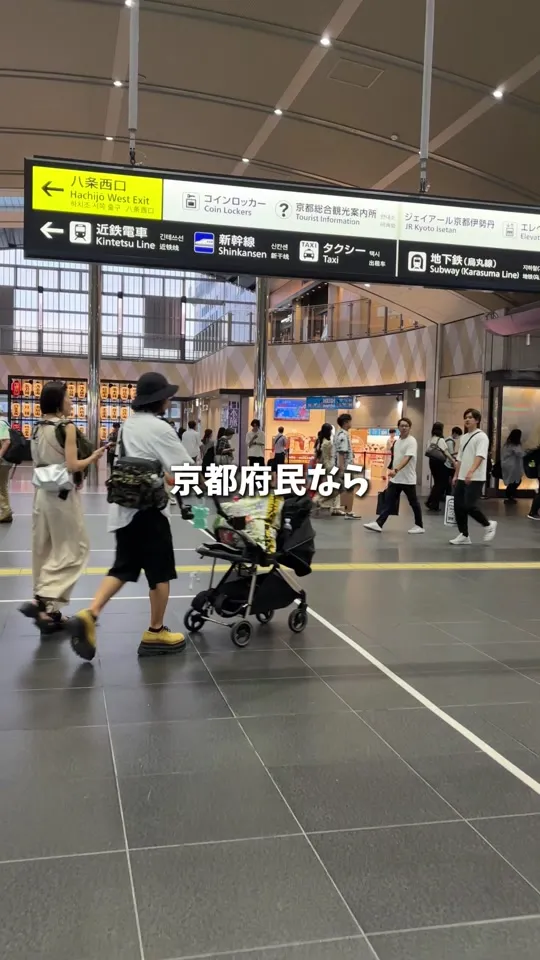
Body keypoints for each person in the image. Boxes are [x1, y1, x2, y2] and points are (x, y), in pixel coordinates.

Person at [66, 372, 193, 661]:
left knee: (123, 567)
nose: (169, 400)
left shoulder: (127, 425)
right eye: (167, 396)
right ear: (159, 400)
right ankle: (155, 632)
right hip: (149, 512)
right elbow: (184, 467)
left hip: (124, 509)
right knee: (160, 572)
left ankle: (90, 613)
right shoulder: (160, 428)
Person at [19, 381, 106, 634]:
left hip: (41, 495)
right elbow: (72, 465)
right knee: (76, 549)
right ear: (58, 402)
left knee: (43, 550)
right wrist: (93, 457)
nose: (71, 402)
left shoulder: (37, 428)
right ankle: (43, 598)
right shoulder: (66, 427)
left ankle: (50, 613)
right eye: (68, 398)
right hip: (62, 496)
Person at [364, 416, 424, 534]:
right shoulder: (397, 442)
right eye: (402, 426)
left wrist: (396, 470)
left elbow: (407, 458)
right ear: (398, 428)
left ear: (410, 428)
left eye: (406, 426)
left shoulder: (411, 441)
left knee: (413, 502)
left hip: (407, 479)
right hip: (396, 479)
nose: (404, 428)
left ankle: (419, 525)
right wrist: (391, 470)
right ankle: (379, 523)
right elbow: (395, 458)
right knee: (389, 501)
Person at [450, 408, 497, 545]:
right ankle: (464, 535)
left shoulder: (482, 437)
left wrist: (471, 472)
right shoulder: (464, 437)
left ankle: (488, 525)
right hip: (462, 477)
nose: (467, 419)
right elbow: (459, 458)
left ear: (477, 420)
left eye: (470, 417)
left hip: (475, 477)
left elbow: (480, 456)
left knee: (469, 505)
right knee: (458, 506)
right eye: (465, 417)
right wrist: (456, 475)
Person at [334, 413, 360, 518]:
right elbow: (342, 453)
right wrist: (341, 469)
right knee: (349, 489)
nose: (351, 423)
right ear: (346, 422)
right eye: (350, 421)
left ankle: (342, 509)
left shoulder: (339, 434)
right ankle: (348, 511)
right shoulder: (343, 436)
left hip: (344, 467)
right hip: (346, 468)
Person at [425, 421, 454, 512]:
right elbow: (446, 452)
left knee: (437, 483)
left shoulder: (430, 440)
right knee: (442, 483)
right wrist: (453, 461)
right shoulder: (440, 440)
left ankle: (431, 502)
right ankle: (432, 503)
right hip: (439, 463)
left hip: (432, 462)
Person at [313, 423, 340, 515]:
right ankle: (318, 500)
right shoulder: (327, 443)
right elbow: (328, 457)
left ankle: (333, 507)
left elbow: (318, 456)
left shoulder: (320, 441)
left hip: (323, 466)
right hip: (329, 467)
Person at [501, 428, 523, 504]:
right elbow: (520, 453)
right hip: (512, 465)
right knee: (515, 481)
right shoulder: (514, 445)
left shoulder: (507, 444)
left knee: (513, 481)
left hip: (507, 465)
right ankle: (509, 496)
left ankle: (510, 496)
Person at [0, 418, 13, 522]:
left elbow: (6, 441)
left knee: (1, 487)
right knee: (2, 487)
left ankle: (6, 510)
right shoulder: (4, 422)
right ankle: (6, 510)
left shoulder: (0, 424)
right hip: (5, 461)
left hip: (2, 461)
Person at [445, 426, 462, 495]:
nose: (458, 437)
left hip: (447, 463)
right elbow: (450, 453)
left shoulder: (447, 439)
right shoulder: (450, 441)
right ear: (454, 433)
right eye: (458, 435)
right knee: (452, 479)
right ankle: (450, 493)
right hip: (448, 463)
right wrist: (458, 452)